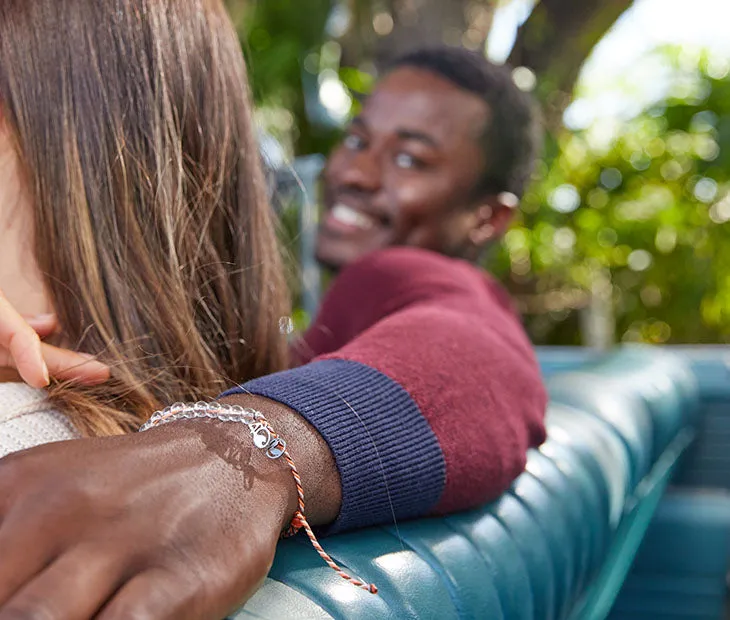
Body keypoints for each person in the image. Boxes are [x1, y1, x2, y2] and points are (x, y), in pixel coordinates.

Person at [0, 26, 545, 620]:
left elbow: (478, 352)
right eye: (358, 139)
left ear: (487, 219)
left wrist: (237, 458)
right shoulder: (331, 327)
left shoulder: (397, 273)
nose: (357, 173)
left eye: (411, 158)